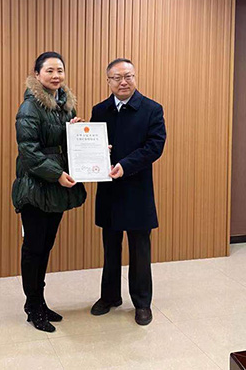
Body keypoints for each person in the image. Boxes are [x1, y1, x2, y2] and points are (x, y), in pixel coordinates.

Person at [11, 51, 87, 332]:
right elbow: (29, 152)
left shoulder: (65, 106)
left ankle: (40, 302)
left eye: (60, 70)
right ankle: (32, 307)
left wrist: (77, 133)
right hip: (35, 188)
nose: (56, 76)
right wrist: (56, 174)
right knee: (33, 249)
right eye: (50, 71)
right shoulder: (29, 108)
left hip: (56, 188)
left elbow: (62, 144)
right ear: (37, 74)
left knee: (45, 247)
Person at [89, 58, 166, 326]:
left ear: (135, 77)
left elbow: (154, 147)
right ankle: (110, 296)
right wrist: (79, 132)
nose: (123, 82)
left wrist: (125, 165)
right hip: (109, 190)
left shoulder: (152, 109)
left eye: (128, 76)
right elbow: (91, 145)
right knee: (110, 248)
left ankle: (142, 303)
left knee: (140, 249)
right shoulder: (100, 110)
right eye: (117, 77)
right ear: (108, 81)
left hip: (137, 190)